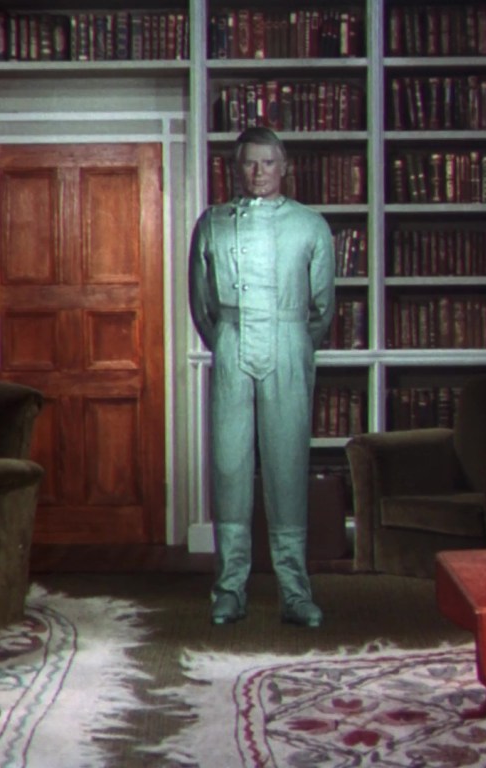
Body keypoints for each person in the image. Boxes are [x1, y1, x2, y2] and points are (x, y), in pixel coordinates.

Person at [188, 127, 335, 628]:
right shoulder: (212, 223)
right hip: (231, 341)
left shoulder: (310, 225)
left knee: (287, 466)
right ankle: (229, 589)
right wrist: (226, 339)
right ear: (237, 168)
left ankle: (295, 593)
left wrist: (293, 342)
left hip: (288, 342)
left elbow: (322, 308)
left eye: (268, 163)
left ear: (284, 167)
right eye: (250, 163)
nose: (259, 172)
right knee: (229, 466)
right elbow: (202, 305)